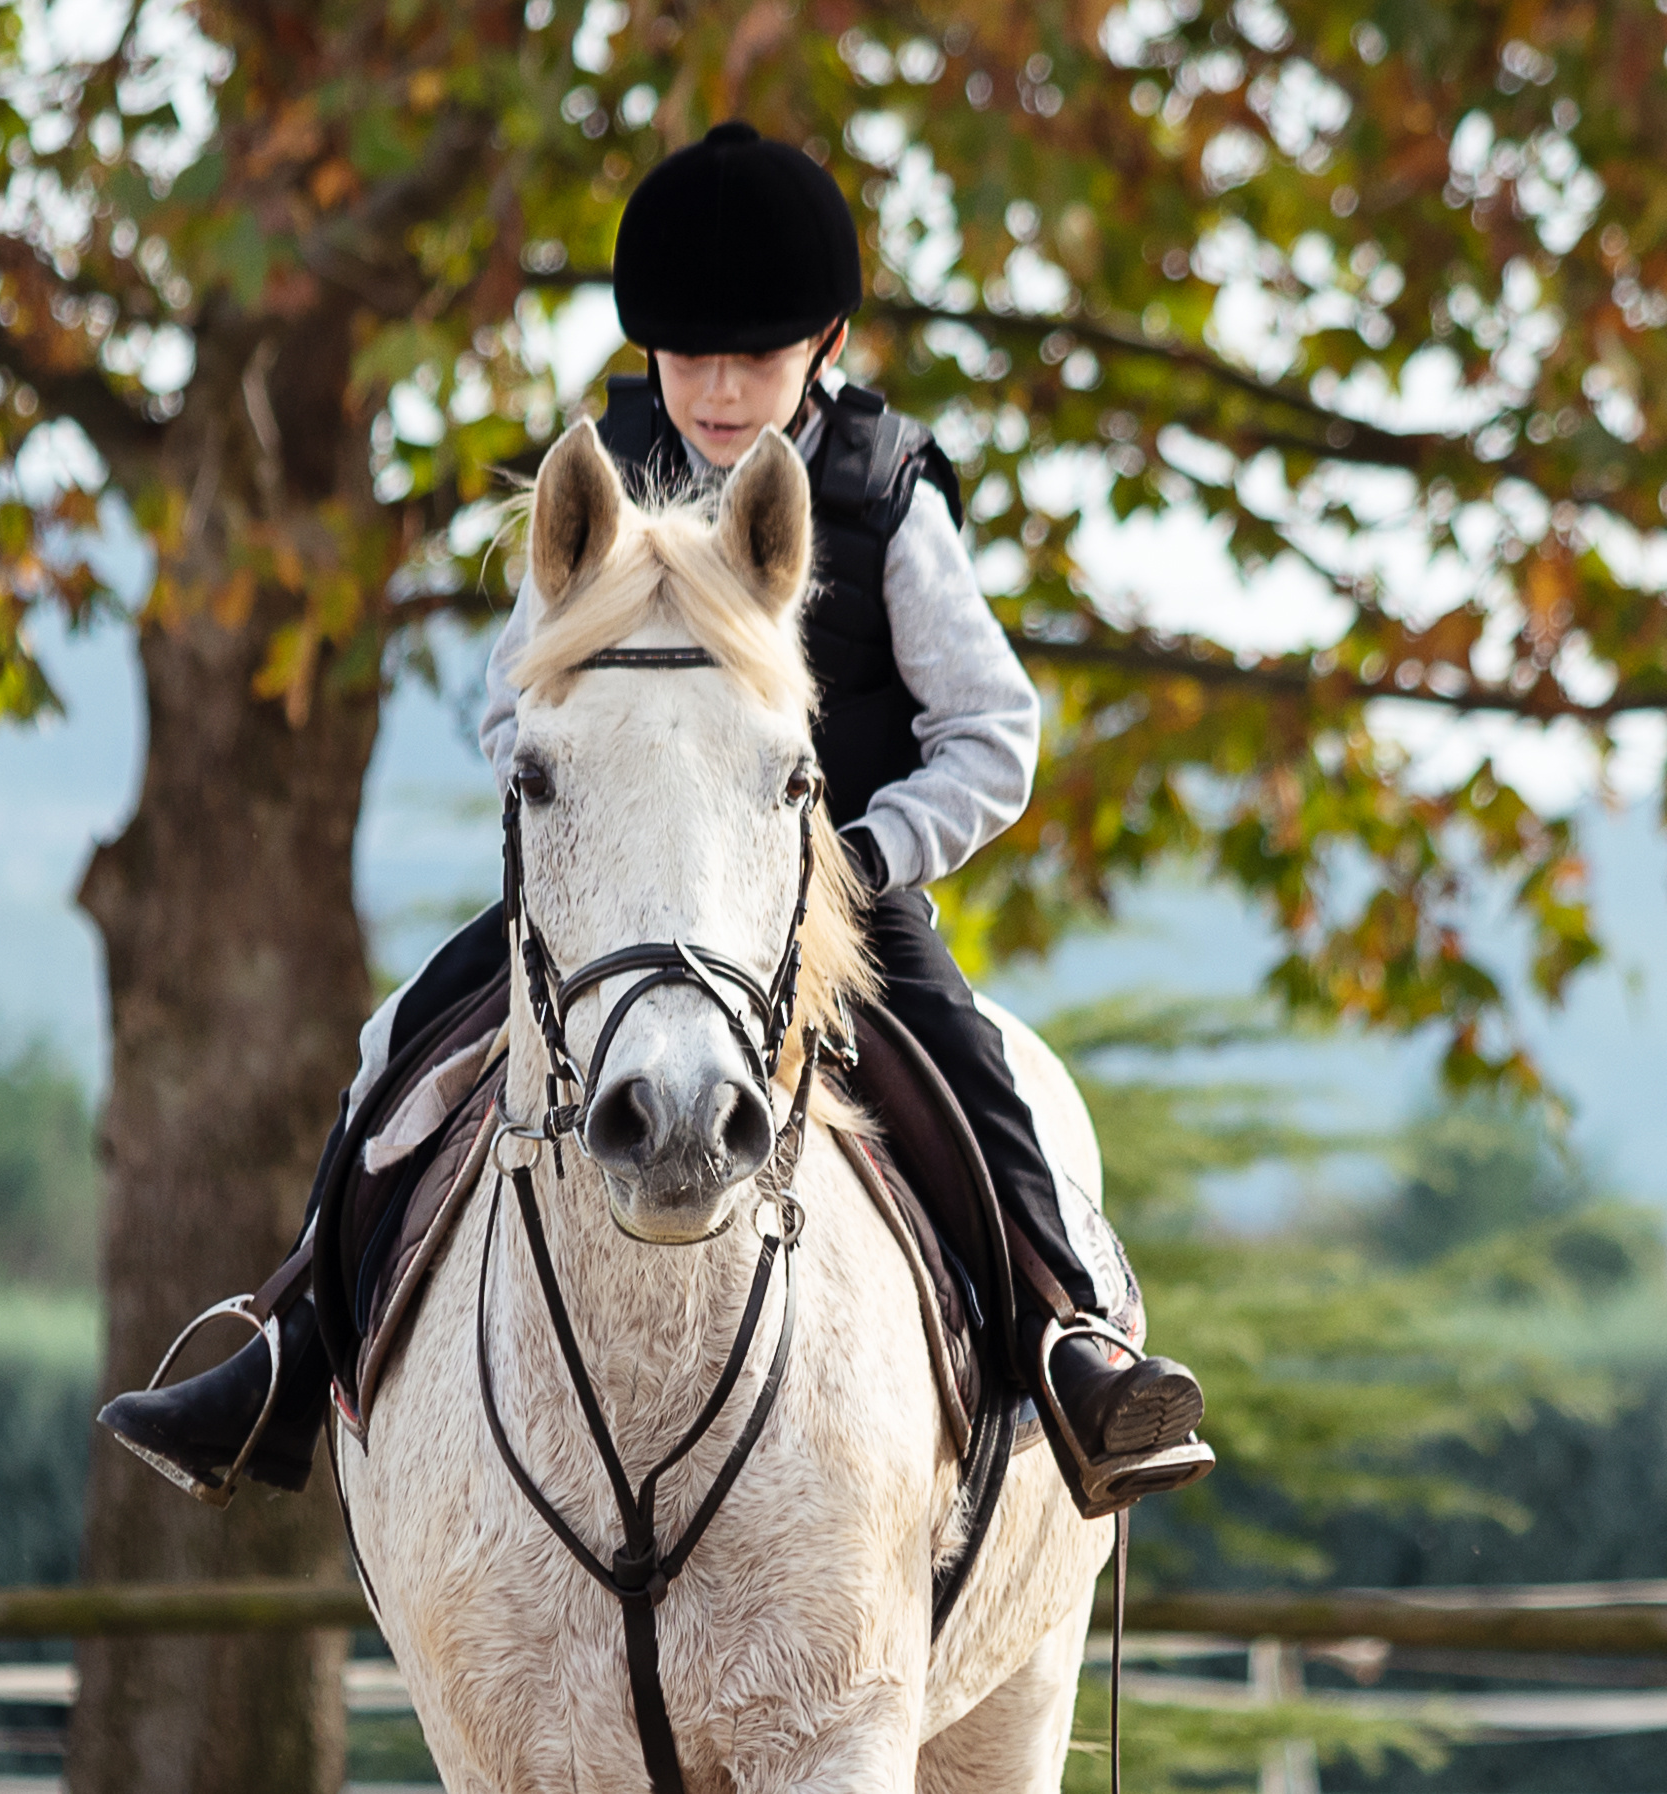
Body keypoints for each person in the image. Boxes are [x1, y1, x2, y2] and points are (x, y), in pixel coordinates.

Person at [99, 121, 1213, 1521]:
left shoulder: (880, 498)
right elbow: (513, 714)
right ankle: (282, 1347)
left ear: (830, 341)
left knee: (972, 1068)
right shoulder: (592, 497)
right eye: (694, 358)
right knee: (398, 1047)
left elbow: (993, 735)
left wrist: (851, 859)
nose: (726, 389)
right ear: (649, 354)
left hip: (832, 894)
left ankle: (1071, 1339)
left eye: (757, 356)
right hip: (610, 898)